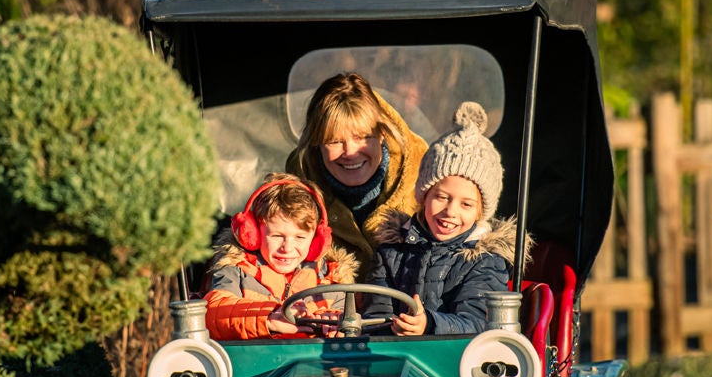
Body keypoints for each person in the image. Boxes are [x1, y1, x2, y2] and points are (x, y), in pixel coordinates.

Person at [363, 101, 521, 336]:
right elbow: (375, 316)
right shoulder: (391, 252)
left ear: (480, 212)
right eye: (442, 197)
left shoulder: (485, 260)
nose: (450, 211)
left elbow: (480, 322)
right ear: (424, 196)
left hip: (456, 364)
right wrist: (386, 327)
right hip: (394, 359)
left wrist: (430, 324)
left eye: (466, 204)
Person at [285, 72, 428, 273]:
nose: (350, 152)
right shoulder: (291, 194)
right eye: (334, 141)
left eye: (362, 137)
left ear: (382, 134)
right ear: (316, 143)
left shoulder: (430, 184)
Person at [204, 173, 357, 340]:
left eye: (300, 237)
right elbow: (211, 314)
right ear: (253, 234)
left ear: (317, 241)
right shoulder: (236, 270)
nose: (287, 248)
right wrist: (269, 317)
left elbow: (344, 317)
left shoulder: (331, 278)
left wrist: (340, 325)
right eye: (277, 236)